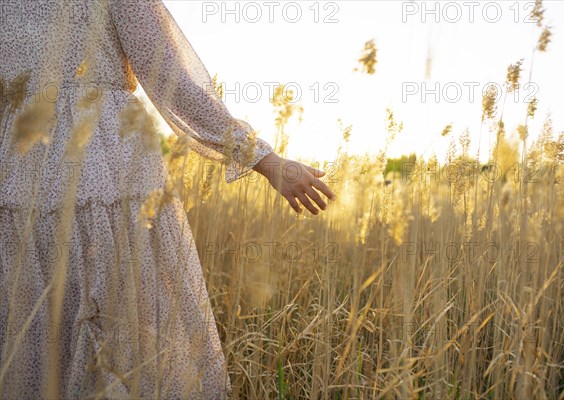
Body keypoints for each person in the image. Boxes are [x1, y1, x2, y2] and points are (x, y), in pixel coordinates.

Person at [0, 0, 335, 399]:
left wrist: (259, 156)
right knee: (115, 340)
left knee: (45, 337)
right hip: (103, 170)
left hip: (24, 173)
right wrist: (263, 157)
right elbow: (169, 77)